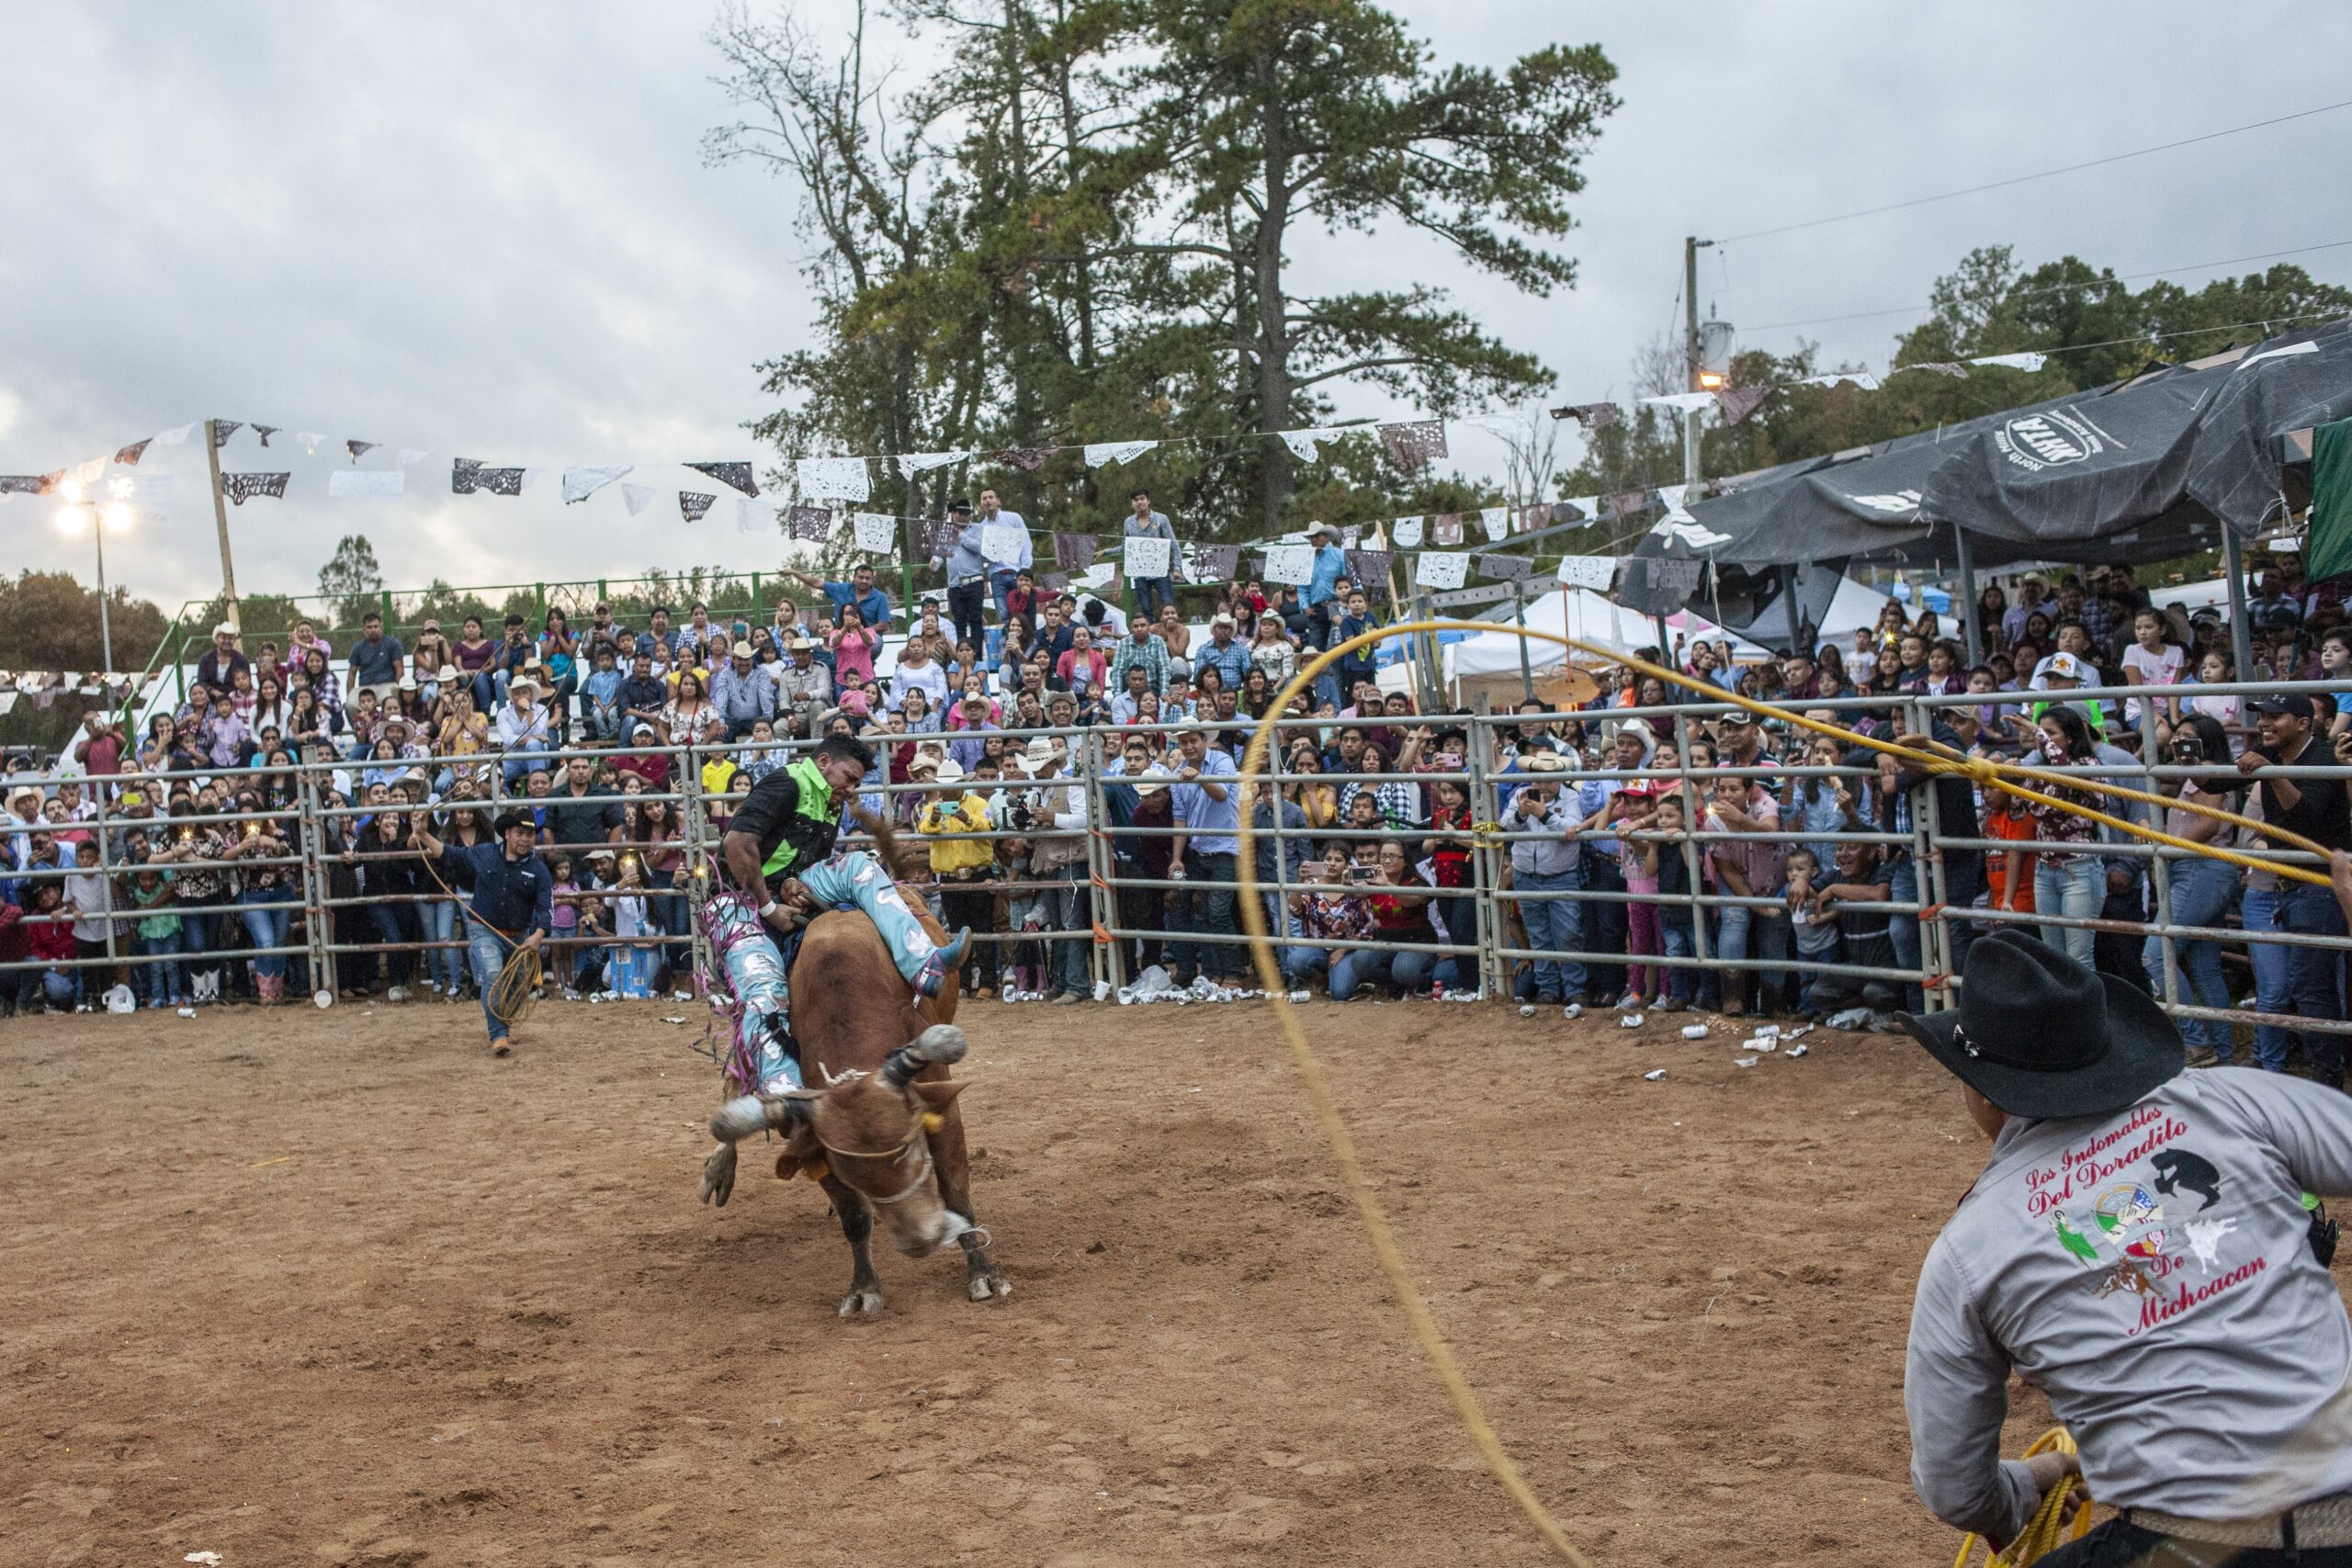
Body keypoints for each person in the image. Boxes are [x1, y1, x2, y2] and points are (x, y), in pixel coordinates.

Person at [1901, 928, 2352, 1567]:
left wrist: (2025, 1489)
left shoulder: (1969, 1248)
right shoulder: (2227, 1100)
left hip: (2197, 1542)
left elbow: (1954, 1485)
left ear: (1980, 1088)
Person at [701, 734, 970, 1135]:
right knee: (764, 990)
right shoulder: (788, 783)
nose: (852, 789)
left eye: (857, 783)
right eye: (849, 777)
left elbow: (797, 860)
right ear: (824, 761)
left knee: (860, 865)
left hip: (780, 890)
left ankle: (923, 962)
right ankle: (784, 1095)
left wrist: (792, 885)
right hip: (736, 902)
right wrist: (771, 907)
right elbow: (738, 843)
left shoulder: (830, 800)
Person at [2236, 692, 2351, 1089]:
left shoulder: (2321, 758)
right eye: (2262, 716)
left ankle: (2327, 1080)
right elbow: (2218, 779)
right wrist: (2200, 772)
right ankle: (2328, 1075)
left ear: (2303, 723)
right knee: (2313, 986)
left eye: (2275, 716)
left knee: (2313, 986)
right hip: (2294, 888)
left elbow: (2305, 823)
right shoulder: (2277, 758)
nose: (2265, 723)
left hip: (2320, 887)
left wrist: (2270, 773)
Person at [409, 808, 550, 1056]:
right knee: (494, 974)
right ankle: (499, 1034)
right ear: (507, 833)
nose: (526, 839)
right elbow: (450, 855)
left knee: (520, 982)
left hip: (519, 935)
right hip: (483, 928)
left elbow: (545, 906)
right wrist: (423, 835)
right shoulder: (484, 853)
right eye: (520, 833)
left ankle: (504, 1020)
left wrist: (538, 935)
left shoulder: (539, 870)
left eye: (530, 834)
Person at [1166, 720, 1242, 987]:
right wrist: (1177, 858)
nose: (1188, 746)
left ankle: (1232, 971)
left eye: (1193, 741)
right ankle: (1216, 971)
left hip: (1225, 850)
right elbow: (1180, 818)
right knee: (1205, 913)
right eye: (1183, 742)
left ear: (1204, 740)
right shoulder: (1178, 774)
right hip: (1198, 851)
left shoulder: (1223, 762)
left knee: (1218, 912)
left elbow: (1221, 794)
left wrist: (1199, 778)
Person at [1122, 489, 1177, 621]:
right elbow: (1125, 546)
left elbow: (1173, 543)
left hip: (1160, 570)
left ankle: (1171, 636)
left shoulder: (1161, 519)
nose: (1139, 502)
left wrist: (1177, 568)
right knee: (1145, 607)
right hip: (1140, 571)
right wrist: (1107, 551)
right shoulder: (1128, 522)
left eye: (1142, 498)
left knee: (1168, 605)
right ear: (1132, 504)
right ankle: (1150, 636)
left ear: (1148, 501)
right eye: (1136, 500)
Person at [345, 612, 405, 704]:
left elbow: (399, 669)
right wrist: (350, 694)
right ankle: (360, 718)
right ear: (364, 629)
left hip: (387, 686)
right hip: (365, 688)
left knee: (390, 701)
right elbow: (352, 673)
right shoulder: (357, 648)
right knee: (350, 704)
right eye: (369, 627)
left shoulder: (392, 644)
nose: (373, 630)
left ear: (381, 627)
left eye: (376, 626)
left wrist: (398, 691)